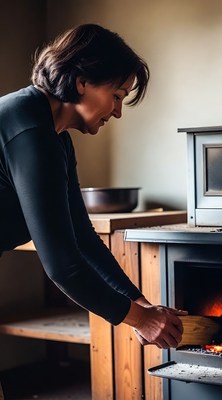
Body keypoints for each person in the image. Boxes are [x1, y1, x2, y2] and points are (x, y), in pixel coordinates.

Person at [0, 23, 187, 353]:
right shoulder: (30, 130)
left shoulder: (56, 138)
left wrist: (140, 304)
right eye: (116, 97)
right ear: (81, 81)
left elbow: (82, 237)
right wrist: (140, 320)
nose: (117, 112)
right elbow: (63, 266)